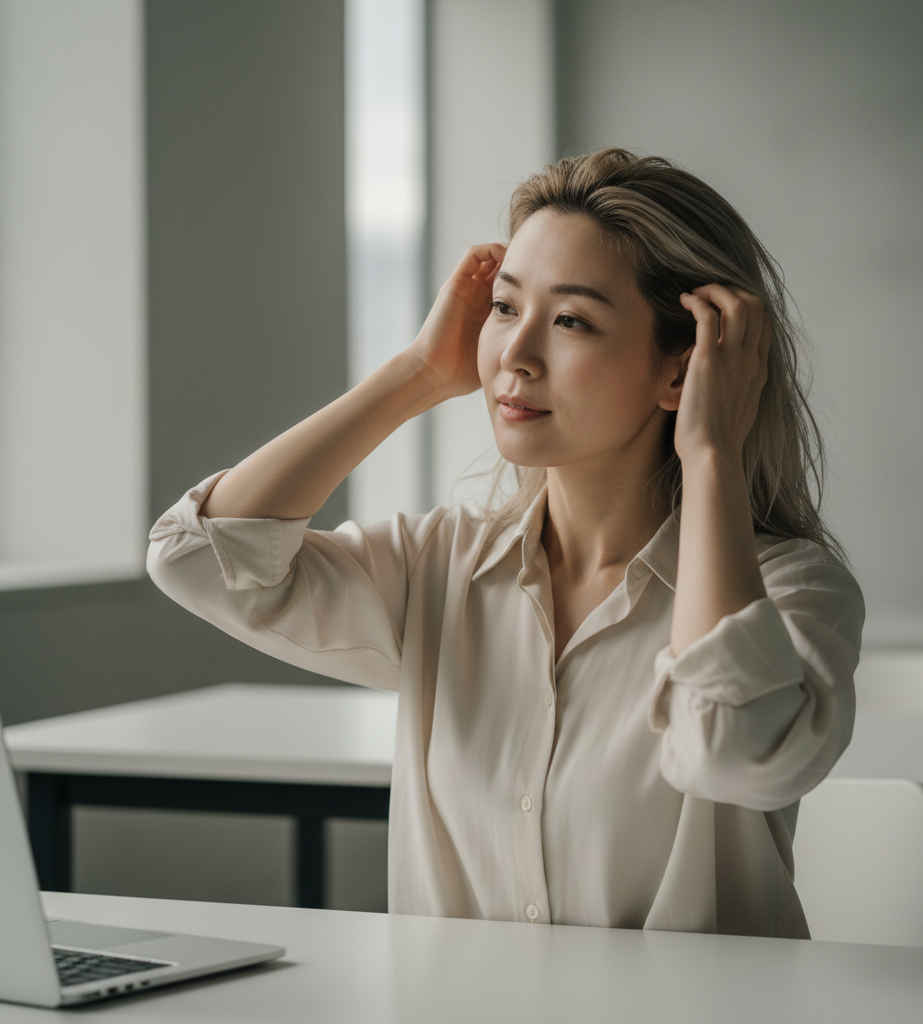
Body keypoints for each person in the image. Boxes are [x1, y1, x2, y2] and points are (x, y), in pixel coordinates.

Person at [148, 148, 864, 938]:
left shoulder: (794, 588)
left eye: (570, 321)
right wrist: (417, 373)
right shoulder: (443, 567)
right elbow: (196, 556)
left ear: (682, 371)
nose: (515, 358)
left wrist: (712, 451)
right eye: (503, 308)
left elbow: (729, 750)